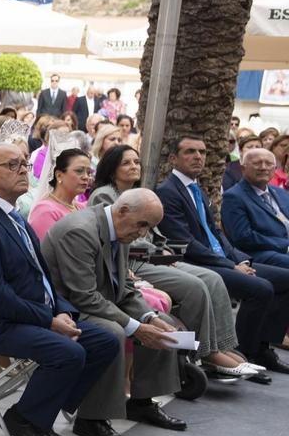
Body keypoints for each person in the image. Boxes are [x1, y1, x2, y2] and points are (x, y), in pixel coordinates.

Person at [0, 143, 122, 436]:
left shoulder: (11, 215)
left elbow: (43, 275)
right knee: (68, 352)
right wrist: (48, 320)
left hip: (29, 315)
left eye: (24, 163)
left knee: (105, 341)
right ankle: (24, 419)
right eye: (13, 165)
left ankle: (45, 410)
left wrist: (63, 311)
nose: (24, 170)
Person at [88, 145, 262, 383]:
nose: (134, 167)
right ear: (111, 169)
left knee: (212, 278)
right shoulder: (105, 194)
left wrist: (164, 248)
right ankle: (206, 353)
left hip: (155, 257)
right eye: (126, 163)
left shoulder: (140, 192)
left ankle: (220, 346)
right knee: (194, 286)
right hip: (133, 261)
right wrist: (159, 252)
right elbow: (121, 237)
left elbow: (154, 231)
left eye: (136, 162)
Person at [38, 194, 188, 436]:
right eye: (142, 225)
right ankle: (91, 418)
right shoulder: (81, 231)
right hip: (64, 309)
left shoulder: (121, 228)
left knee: (161, 321)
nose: (143, 233)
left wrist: (148, 317)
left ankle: (141, 402)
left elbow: (125, 288)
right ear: (123, 211)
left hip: (94, 302)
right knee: (113, 331)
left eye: (148, 228)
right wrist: (137, 327)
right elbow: (83, 296)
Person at [157, 135, 289, 372]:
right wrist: (230, 265)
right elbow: (185, 243)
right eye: (190, 152)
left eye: (202, 152)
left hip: (220, 260)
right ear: (173, 159)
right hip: (194, 263)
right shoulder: (168, 192)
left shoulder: (196, 190)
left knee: (284, 280)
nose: (198, 157)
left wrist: (239, 260)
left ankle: (261, 346)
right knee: (260, 288)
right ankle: (247, 351)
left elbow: (216, 234)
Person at [223, 147, 289, 268]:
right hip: (261, 253)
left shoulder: (281, 193)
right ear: (243, 169)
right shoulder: (233, 196)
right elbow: (244, 237)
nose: (263, 167)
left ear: (275, 169)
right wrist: (285, 246)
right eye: (257, 163)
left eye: (268, 164)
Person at [27, 148, 93, 239]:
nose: (86, 177)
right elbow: (46, 251)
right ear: (59, 175)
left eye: (88, 172)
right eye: (79, 170)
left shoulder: (81, 207)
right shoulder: (45, 211)